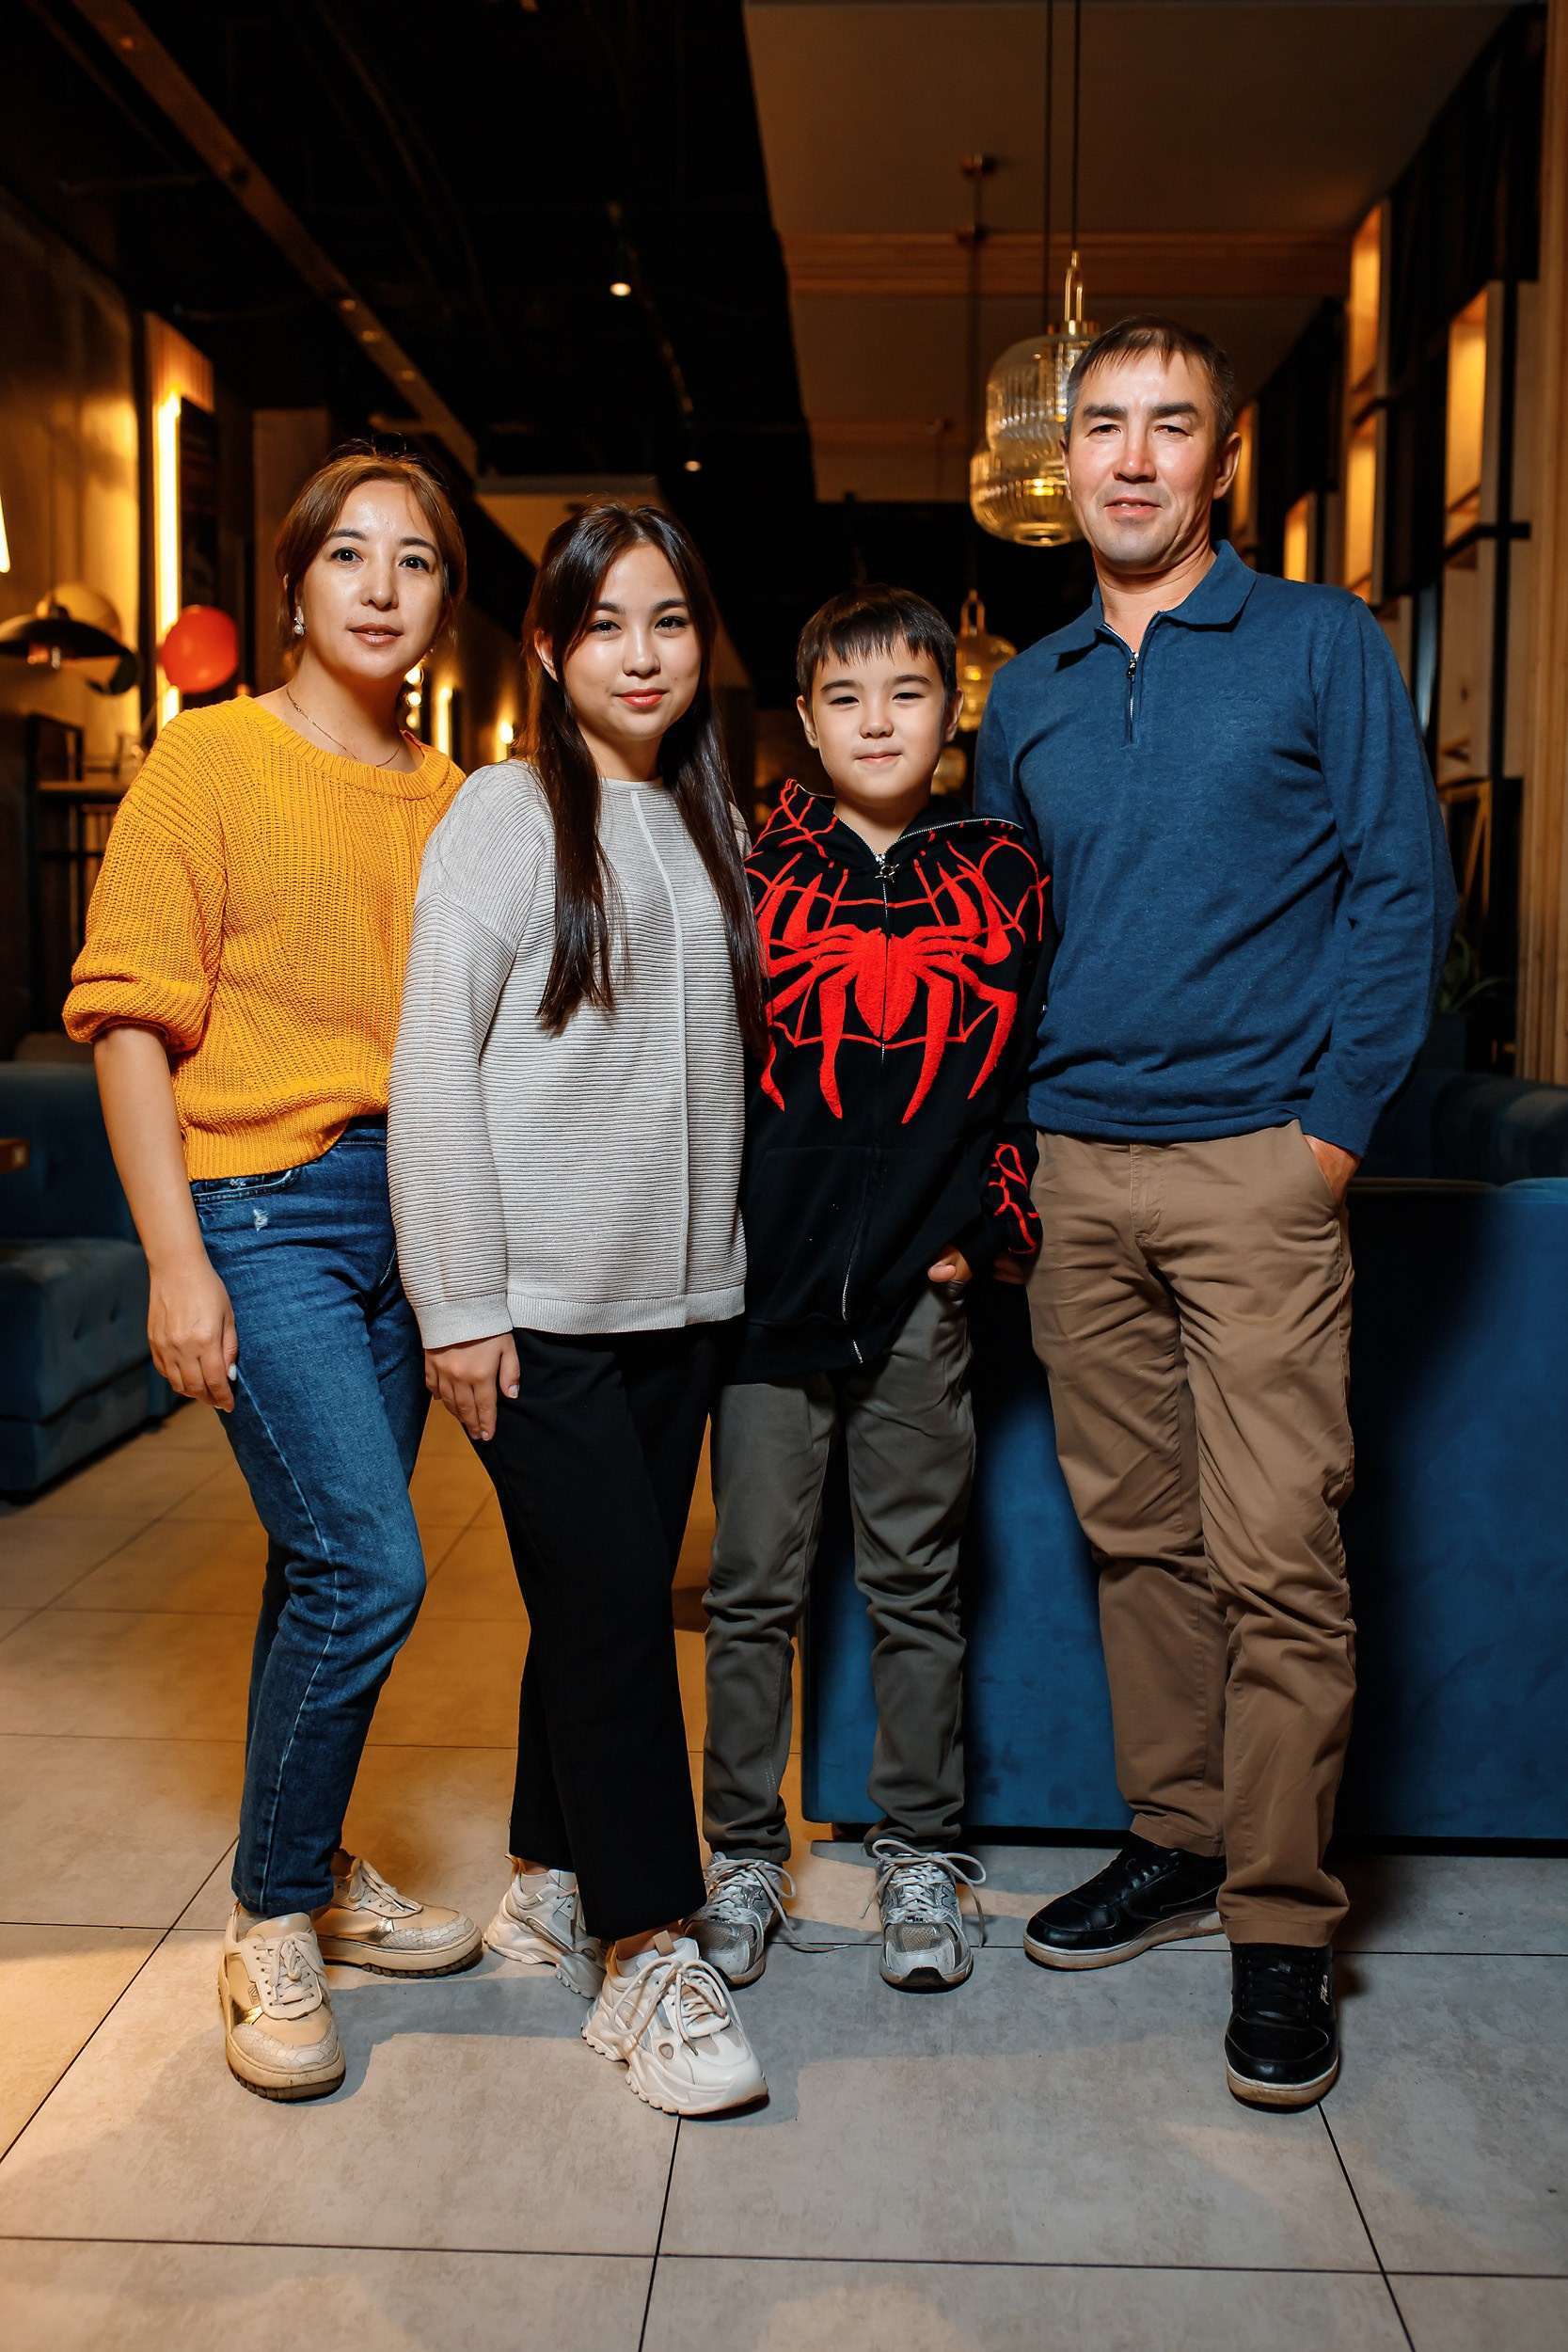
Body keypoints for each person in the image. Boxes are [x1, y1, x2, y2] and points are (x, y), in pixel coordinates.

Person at [974, 317, 1457, 2108]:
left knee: (1279, 1555)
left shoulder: (1323, 642)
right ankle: (1177, 1840)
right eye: (1103, 425)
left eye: (1168, 425)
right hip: (1076, 1170)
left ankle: (1282, 1923)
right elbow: (994, 944)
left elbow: (1401, 891)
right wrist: (1003, 1161)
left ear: (1221, 459)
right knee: (1140, 1541)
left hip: (1259, 1163)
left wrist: (1328, 1138)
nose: (1131, 457)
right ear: (1067, 459)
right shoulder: (1026, 692)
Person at [65, 446, 483, 2103]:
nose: (383, 586)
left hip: (415, 1219)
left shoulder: (455, 801)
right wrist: (174, 1258)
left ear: (447, 601)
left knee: (317, 1561)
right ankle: (269, 1918)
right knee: (372, 1567)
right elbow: (128, 1020)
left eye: (418, 560)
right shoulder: (209, 759)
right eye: (350, 555)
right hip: (263, 1210)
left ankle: (307, 1868)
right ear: (298, 584)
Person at [388, 501, 769, 2117]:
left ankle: (550, 1872)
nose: (641, 653)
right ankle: (648, 1947)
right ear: (549, 647)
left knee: (591, 1604)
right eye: (605, 623)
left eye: (669, 620)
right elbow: (430, 1068)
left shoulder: (709, 818)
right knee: (617, 1614)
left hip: (682, 1307)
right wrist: (459, 1303)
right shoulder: (500, 816)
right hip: (533, 1310)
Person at [689, 585, 1048, 1995]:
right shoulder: (751, 869)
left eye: (907, 693)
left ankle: (919, 1853)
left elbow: (1028, 1069)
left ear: (952, 710)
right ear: (806, 719)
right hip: (765, 1294)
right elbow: (700, 1067)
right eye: (845, 699)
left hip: (918, 1296)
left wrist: (988, 1223)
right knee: (751, 1589)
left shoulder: (1004, 871)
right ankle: (741, 1855)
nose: (878, 722)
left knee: (917, 1582)